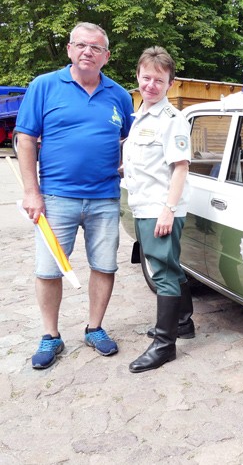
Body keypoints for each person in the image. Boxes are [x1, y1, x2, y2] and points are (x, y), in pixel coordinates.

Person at [15, 22, 134, 369]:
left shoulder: (120, 96)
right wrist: (30, 192)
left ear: (106, 56)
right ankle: (51, 336)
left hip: (105, 199)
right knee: (49, 270)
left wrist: (127, 161)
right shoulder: (44, 86)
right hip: (55, 198)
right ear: (69, 49)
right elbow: (24, 140)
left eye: (95, 48)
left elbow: (129, 139)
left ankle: (95, 328)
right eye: (81, 45)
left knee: (105, 265)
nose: (87, 52)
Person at [121, 46, 193, 373]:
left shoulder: (171, 120)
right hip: (143, 203)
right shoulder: (141, 114)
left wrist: (168, 210)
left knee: (162, 272)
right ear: (138, 77)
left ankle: (165, 345)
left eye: (159, 80)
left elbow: (180, 167)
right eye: (146, 77)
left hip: (159, 207)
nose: (151, 84)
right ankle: (183, 323)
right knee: (170, 266)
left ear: (170, 83)